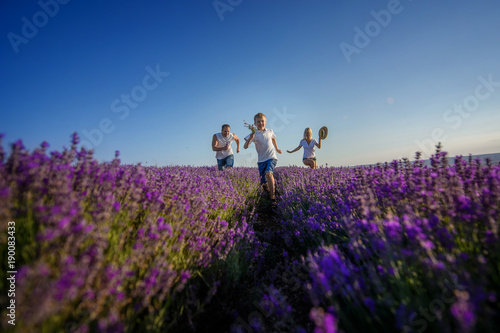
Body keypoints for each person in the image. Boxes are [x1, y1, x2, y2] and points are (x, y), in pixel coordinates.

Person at [243, 113, 282, 205]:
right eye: (258, 122)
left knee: (269, 174)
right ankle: (268, 189)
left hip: (271, 157)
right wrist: (250, 139)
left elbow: (273, 139)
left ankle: (273, 198)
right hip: (261, 160)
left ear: (266, 122)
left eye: (262, 121)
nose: (261, 123)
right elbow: (245, 146)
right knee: (263, 183)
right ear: (255, 124)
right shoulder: (254, 134)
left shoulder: (270, 131)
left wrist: (277, 149)